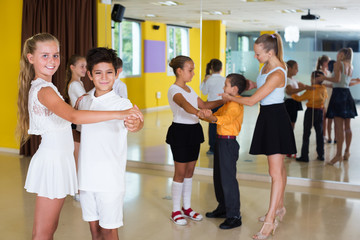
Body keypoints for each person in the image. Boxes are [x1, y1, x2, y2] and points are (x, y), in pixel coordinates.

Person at [16, 33, 143, 240]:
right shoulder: (45, 90)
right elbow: (74, 116)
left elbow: (72, 123)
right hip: (54, 162)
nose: (52, 61)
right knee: (44, 232)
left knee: (49, 228)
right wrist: (122, 114)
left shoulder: (55, 90)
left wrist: (132, 119)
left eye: (55, 55)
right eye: (45, 55)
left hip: (63, 162)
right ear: (31, 58)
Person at [220, 33, 296, 239]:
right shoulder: (266, 67)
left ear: (270, 52)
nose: (256, 57)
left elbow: (253, 101)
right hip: (267, 117)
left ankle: (271, 220)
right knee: (278, 169)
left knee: (275, 172)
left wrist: (231, 96)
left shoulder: (278, 73)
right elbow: (262, 87)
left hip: (276, 119)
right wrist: (253, 83)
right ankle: (279, 208)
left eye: (258, 54)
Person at [77, 47, 143, 240]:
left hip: (110, 180)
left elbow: (136, 122)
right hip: (86, 178)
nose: (104, 77)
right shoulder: (84, 101)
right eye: (98, 73)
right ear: (90, 74)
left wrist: (136, 123)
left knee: (109, 230)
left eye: (109, 73)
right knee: (94, 231)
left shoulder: (123, 104)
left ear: (116, 74)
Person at [166, 55, 223, 226]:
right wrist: (198, 113)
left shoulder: (191, 90)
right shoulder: (174, 89)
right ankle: (175, 210)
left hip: (193, 131)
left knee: (190, 172)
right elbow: (184, 104)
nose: (193, 73)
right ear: (179, 71)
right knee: (180, 173)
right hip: (180, 132)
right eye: (190, 70)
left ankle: (187, 208)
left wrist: (225, 99)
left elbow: (204, 105)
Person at [203, 73, 247, 229]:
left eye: (226, 85)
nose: (223, 87)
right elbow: (217, 115)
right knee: (219, 178)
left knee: (228, 180)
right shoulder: (227, 104)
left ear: (234, 89)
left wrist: (212, 118)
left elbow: (225, 119)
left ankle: (234, 216)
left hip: (228, 143)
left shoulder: (235, 105)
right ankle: (223, 208)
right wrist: (207, 115)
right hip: (221, 142)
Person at [317, 48, 359, 165]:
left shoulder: (338, 64)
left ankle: (338, 155)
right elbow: (342, 83)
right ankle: (346, 152)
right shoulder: (350, 66)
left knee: (339, 127)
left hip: (338, 96)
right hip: (346, 94)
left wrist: (323, 78)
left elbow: (337, 79)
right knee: (347, 127)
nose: (336, 54)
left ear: (342, 54)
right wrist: (327, 84)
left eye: (338, 53)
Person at [64, 54, 87, 201]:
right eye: (82, 66)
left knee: (80, 158)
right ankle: (78, 191)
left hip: (79, 125)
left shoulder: (78, 83)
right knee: (78, 159)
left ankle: (79, 189)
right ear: (72, 68)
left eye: (86, 66)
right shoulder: (75, 85)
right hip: (77, 126)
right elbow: (85, 103)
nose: (85, 69)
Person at [292, 71, 328, 162]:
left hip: (310, 112)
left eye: (312, 78)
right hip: (320, 112)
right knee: (319, 134)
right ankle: (321, 154)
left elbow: (300, 98)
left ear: (315, 79)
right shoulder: (323, 88)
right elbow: (325, 98)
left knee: (306, 134)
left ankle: (305, 156)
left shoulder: (311, 89)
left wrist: (292, 94)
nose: (310, 80)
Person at [200, 59, 226, 155]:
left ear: (211, 68)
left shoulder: (209, 80)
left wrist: (204, 80)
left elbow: (204, 92)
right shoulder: (224, 79)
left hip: (211, 105)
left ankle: (212, 148)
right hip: (222, 105)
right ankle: (221, 147)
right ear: (221, 68)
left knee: (212, 126)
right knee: (221, 124)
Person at [284, 60, 307, 158]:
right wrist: (305, 88)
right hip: (289, 104)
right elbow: (289, 91)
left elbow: (304, 86)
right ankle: (287, 148)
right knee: (289, 127)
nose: (297, 70)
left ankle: (288, 148)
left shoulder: (294, 80)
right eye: (295, 68)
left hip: (294, 104)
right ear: (289, 69)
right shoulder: (287, 80)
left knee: (291, 127)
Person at [324, 60, 336, 143]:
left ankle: (329, 138)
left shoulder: (328, 76)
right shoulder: (335, 76)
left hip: (328, 101)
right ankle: (335, 138)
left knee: (329, 121)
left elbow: (324, 84)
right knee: (336, 122)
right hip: (335, 101)